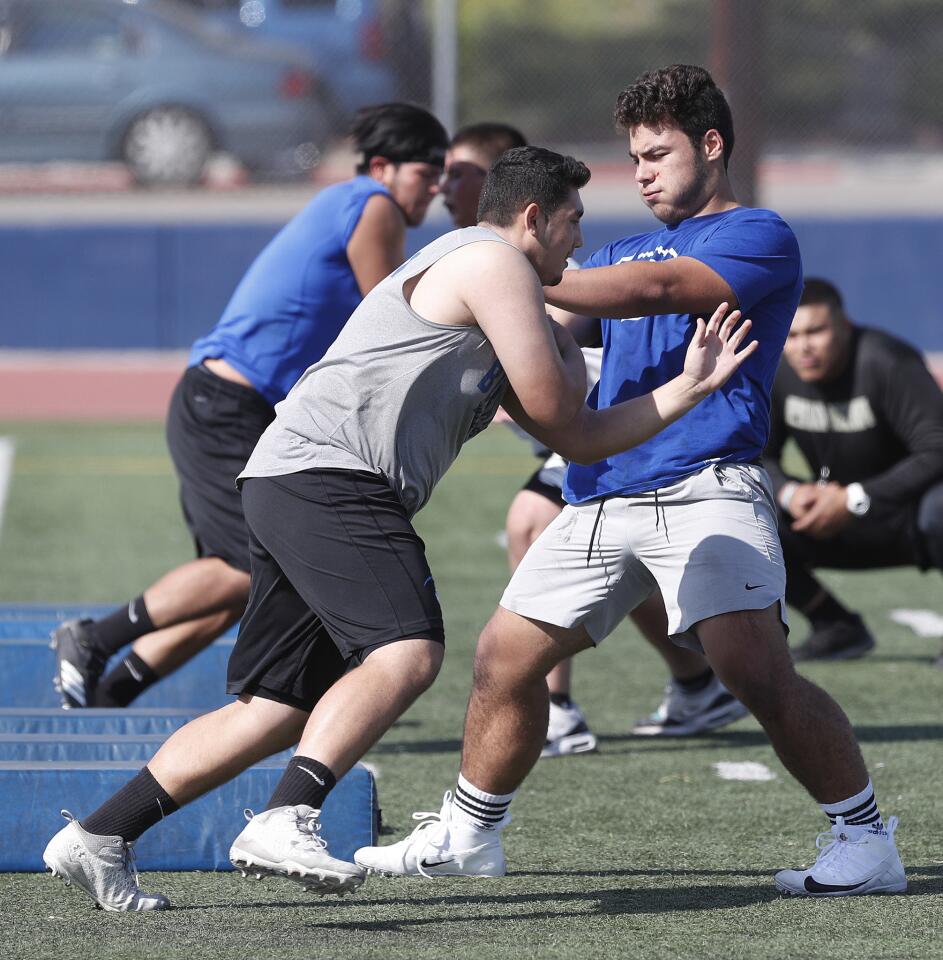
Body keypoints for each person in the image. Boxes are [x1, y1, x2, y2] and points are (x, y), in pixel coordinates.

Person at [42, 145, 756, 912]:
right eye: (573, 222)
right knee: (408, 652)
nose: (578, 242)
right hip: (330, 477)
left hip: (297, 478)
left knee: (274, 710)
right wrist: (675, 385)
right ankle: (286, 817)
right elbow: (561, 412)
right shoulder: (492, 264)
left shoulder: (499, 284)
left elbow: (574, 435)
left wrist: (678, 388)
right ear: (533, 217)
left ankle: (99, 835)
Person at [355, 64, 907, 899]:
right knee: (503, 660)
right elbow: (542, 322)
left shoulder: (757, 234)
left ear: (711, 145)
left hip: (707, 486)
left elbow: (653, 289)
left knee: (752, 670)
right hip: (602, 490)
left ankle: (865, 840)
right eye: (634, 157)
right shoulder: (606, 251)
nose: (640, 171)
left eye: (657, 152)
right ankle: (469, 833)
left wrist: (504, 260)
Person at [51, 103, 448, 710]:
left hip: (232, 405)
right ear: (382, 167)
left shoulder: (354, 200)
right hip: (226, 403)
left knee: (240, 578)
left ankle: (110, 692)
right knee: (241, 568)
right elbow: (388, 319)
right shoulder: (374, 204)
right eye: (429, 172)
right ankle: (94, 637)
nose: (437, 187)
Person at [440, 120, 606, 754]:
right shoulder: (462, 257)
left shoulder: (530, 266)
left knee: (532, 520)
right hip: (588, 442)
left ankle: (557, 707)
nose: (444, 184)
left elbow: (551, 400)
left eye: (461, 173)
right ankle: (698, 678)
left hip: (604, 437)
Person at [764, 276, 943, 662]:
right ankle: (835, 626)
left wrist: (855, 498)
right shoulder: (780, 371)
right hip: (830, 520)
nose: (803, 346)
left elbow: (936, 448)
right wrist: (794, 495)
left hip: (909, 517)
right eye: (792, 335)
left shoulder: (886, 361)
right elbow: (760, 456)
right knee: (746, 512)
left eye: (816, 331)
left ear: (844, 327)